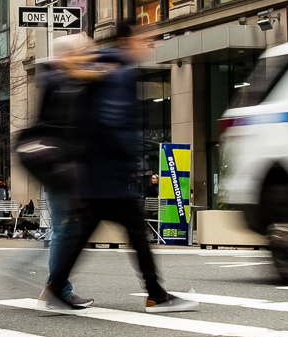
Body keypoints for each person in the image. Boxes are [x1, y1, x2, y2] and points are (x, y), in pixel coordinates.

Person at [43, 22, 197, 314]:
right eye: (146, 40)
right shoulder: (118, 73)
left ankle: (56, 286)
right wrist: (129, 160)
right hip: (107, 171)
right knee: (136, 233)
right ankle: (155, 294)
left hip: (96, 169)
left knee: (85, 232)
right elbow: (111, 121)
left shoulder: (106, 68)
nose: (150, 45)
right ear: (130, 41)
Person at [22, 33, 107, 310]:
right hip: (62, 166)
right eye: (84, 49)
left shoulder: (58, 79)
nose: (90, 53)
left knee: (66, 228)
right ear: (70, 54)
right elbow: (71, 131)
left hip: (58, 164)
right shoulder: (64, 82)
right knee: (66, 229)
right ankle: (57, 287)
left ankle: (52, 284)